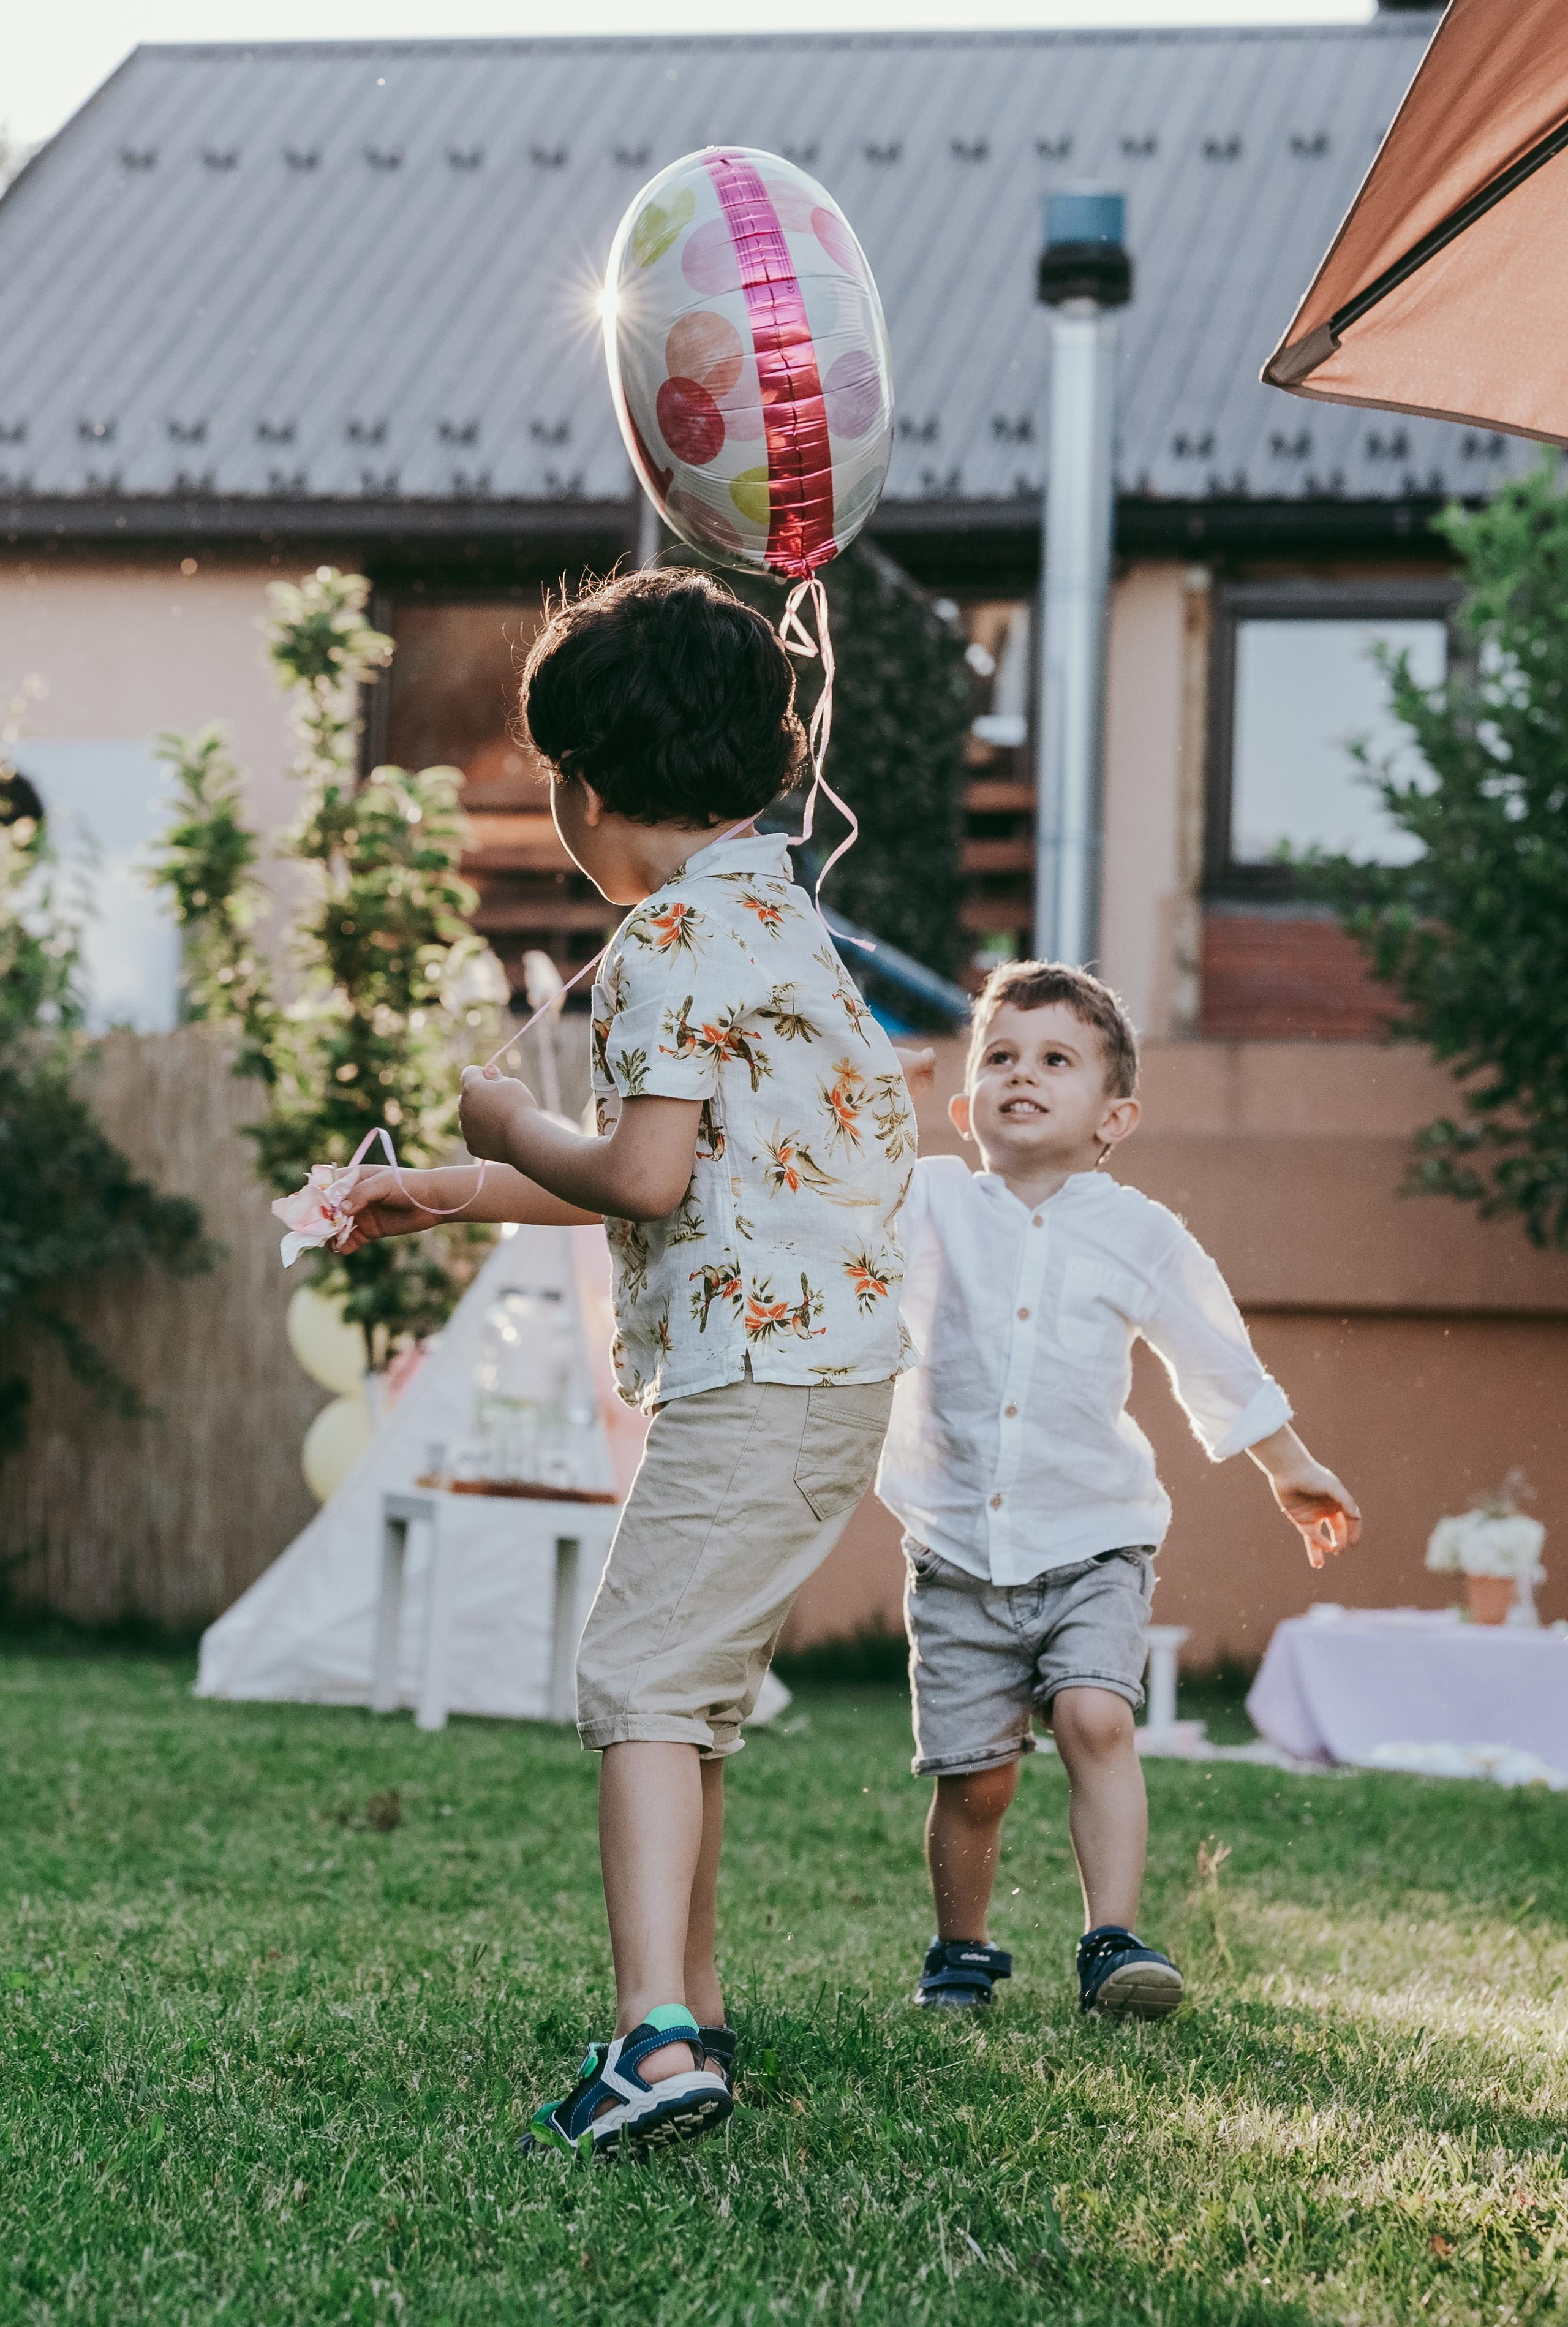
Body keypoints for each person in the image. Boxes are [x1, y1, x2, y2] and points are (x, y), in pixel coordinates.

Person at [333, 569, 917, 2154]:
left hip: (757, 1380)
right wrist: (444, 1192)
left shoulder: (669, 937)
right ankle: (696, 2015)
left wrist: (501, 1122)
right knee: (693, 1700)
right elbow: (683, 1168)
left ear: (585, 790)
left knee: (640, 1686)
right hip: (822, 1379)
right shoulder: (773, 917)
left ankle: (655, 2045)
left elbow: (637, 1175)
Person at [880, 959, 1361, 2019]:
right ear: (964, 1106)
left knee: (1097, 1716)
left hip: (1095, 1542)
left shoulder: (1139, 1233)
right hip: (958, 1550)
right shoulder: (930, 1203)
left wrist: (1291, 1466)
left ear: (1116, 1114)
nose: (1023, 1076)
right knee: (979, 1777)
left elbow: (1212, 1355)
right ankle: (961, 1952)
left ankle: (1111, 1942)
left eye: (1057, 1060)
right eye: (1000, 1058)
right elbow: (832, 1203)